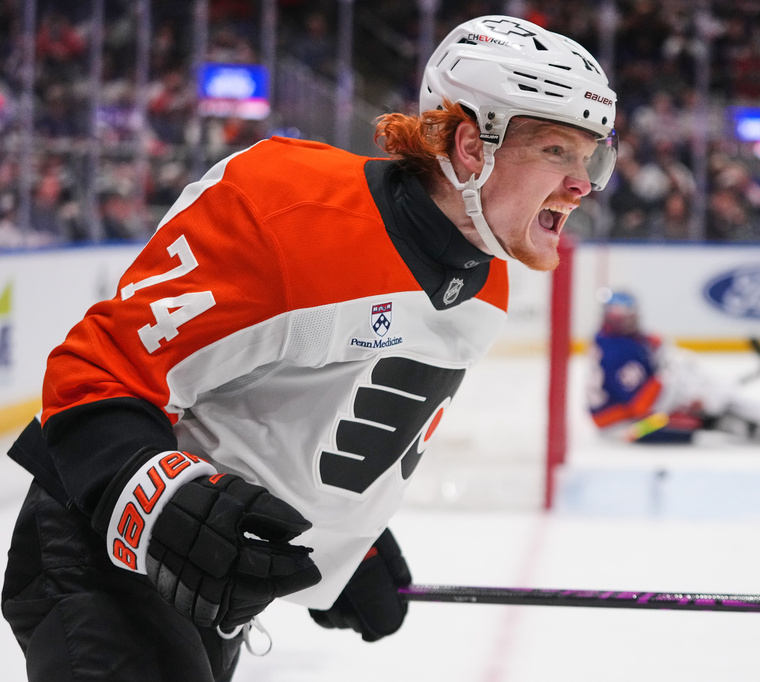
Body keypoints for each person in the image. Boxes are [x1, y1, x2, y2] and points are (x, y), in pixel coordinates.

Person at [1, 15, 618, 681]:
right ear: (472, 145)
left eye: (590, 157)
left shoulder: (485, 280)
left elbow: (306, 415)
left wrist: (345, 539)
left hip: (213, 575)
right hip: (101, 551)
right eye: (558, 152)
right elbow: (93, 372)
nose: (584, 184)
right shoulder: (293, 211)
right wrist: (164, 502)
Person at [586, 291, 760, 444]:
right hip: (627, 428)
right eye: (628, 316)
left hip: (628, 415)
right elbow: (640, 406)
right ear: (614, 318)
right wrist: (669, 380)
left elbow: (644, 346)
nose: (634, 320)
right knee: (691, 413)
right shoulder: (617, 354)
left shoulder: (612, 338)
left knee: (693, 392)